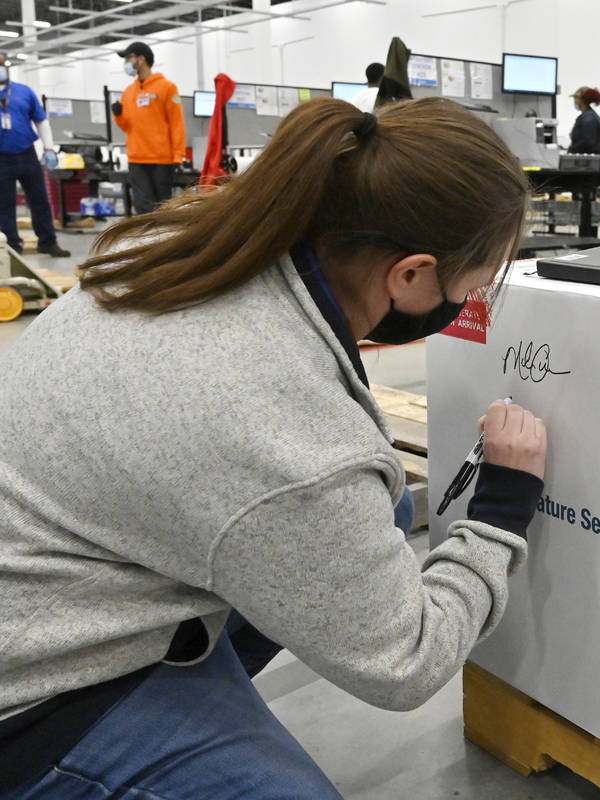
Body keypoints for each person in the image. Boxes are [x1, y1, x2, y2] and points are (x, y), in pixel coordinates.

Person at [0, 97, 545, 798]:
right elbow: (407, 659)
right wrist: (501, 509)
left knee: (373, 521)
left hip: (55, 575)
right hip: (39, 696)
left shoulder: (179, 244)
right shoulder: (283, 436)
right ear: (410, 276)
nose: (479, 297)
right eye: (481, 280)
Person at [0, 55, 69, 258]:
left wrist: (49, 149)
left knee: (39, 200)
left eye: (3, 64)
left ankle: (48, 242)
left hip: (27, 154)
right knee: (4, 205)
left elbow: (41, 120)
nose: (1, 68)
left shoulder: (24, 92)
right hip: (1, 160)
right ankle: (12, 247)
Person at [112, 42, 186, 215]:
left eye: (128, 58)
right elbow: (127, 127)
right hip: (137, 159)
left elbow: (177, 123)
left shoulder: (167, 87)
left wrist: (178, 155)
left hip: (162, 159)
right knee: (143, 209)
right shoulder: (129, 92)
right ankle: (148, 241)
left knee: (163, 209)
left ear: (141, 59)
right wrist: (118, 115)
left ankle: (166, 241)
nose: (126, 64)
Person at [567, 86, 600, 157]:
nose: (574, 101)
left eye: (575, 98)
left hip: (589, 162)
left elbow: (587, 141)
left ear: (581, 99)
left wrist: (571, 150)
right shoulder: (588, 115)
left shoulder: (589, 117)